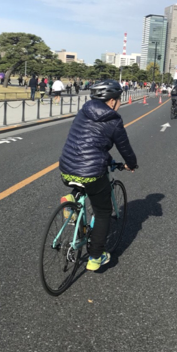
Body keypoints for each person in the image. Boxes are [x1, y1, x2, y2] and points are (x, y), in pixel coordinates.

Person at [59, 80, 137, 271]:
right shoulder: (114, 120)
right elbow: (125, 148)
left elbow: (89, 144)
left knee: (81, 181)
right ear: (111, 101)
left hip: (66, 167)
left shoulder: (85, 110)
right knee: (103, 212)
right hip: (91, 172)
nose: (120, 103)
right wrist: (131, 164)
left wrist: (108, 160)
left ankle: (71, 199)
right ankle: (95, 257)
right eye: (120, 99)